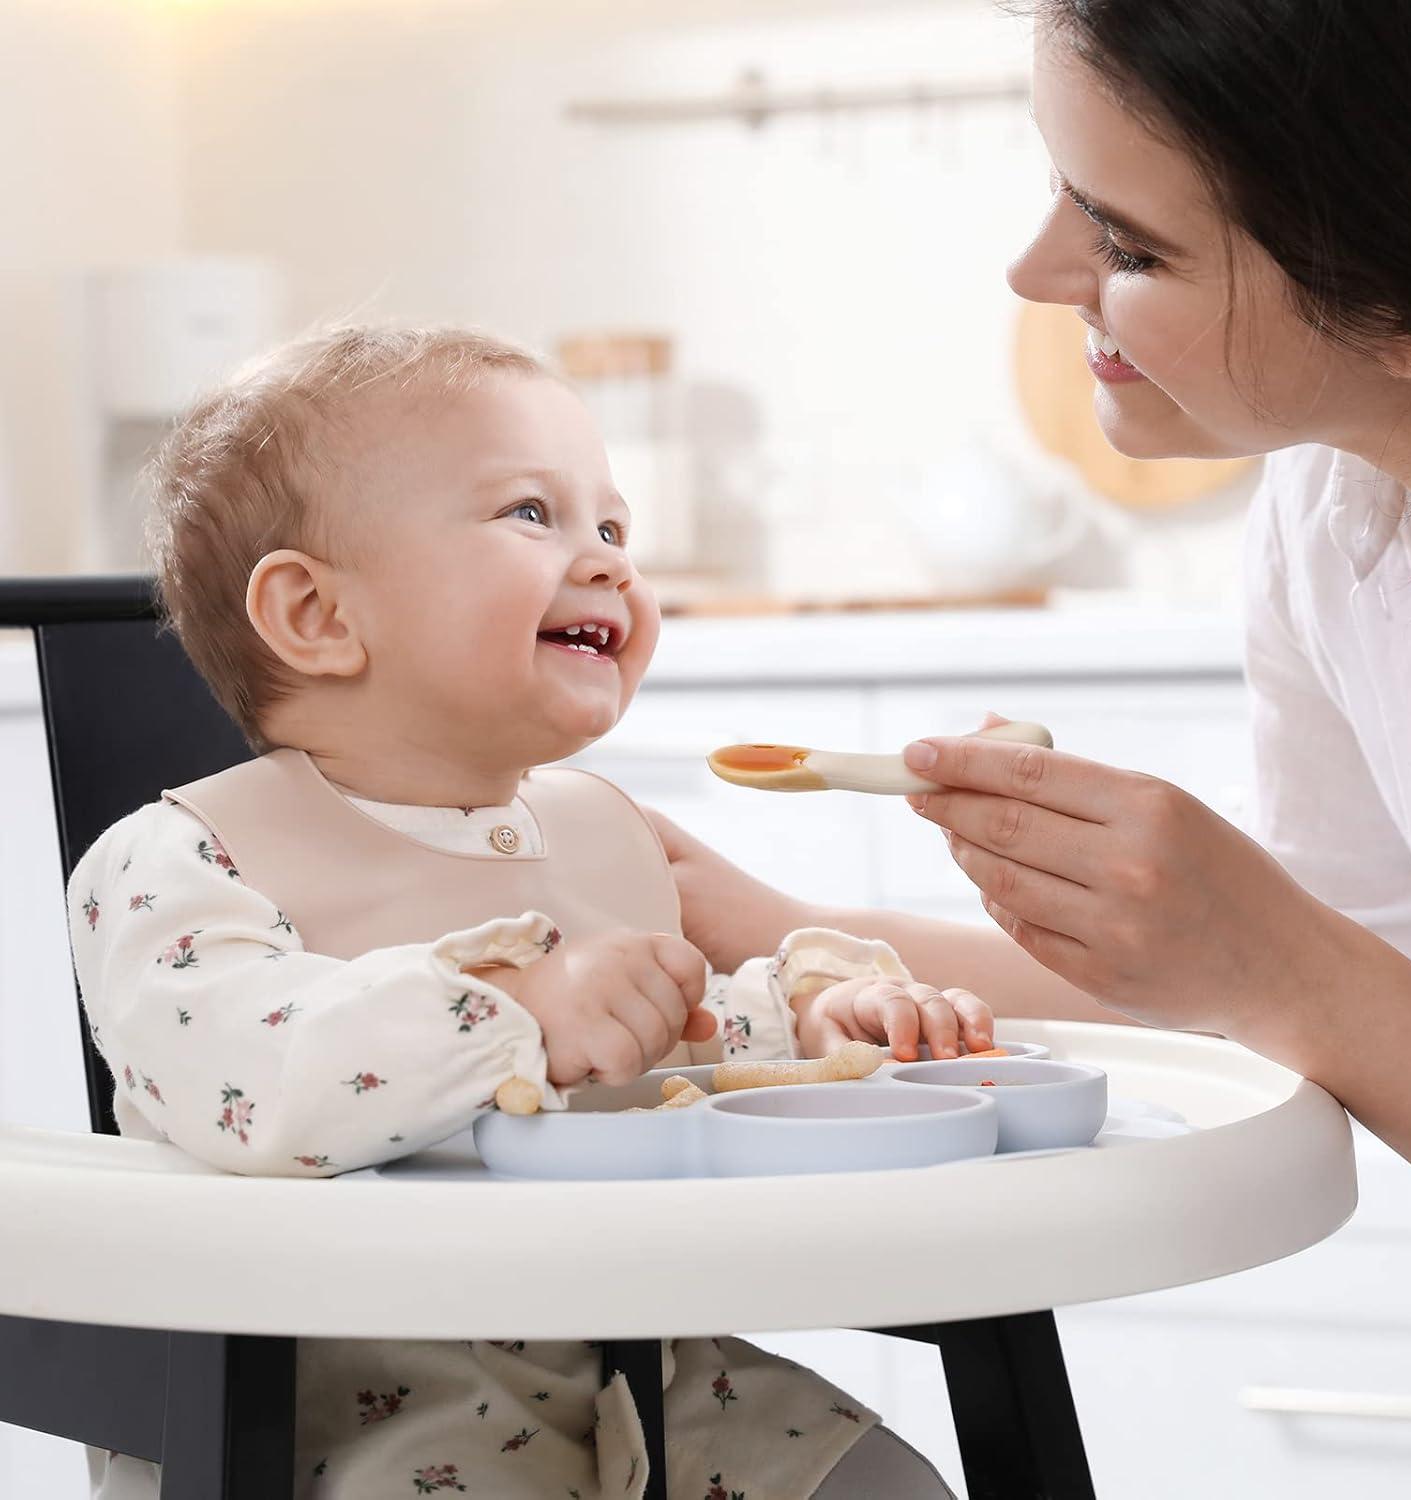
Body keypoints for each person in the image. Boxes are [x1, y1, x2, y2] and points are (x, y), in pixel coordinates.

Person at [67, 326, 979, 1499]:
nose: (606, 562)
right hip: (338, 1410)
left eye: (612, 527)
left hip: (650, 1369)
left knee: (884, 1485)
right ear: (318, 615)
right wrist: (512, 1015)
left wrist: (823, 1024)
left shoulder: (600, 830)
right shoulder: (180, 861)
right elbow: (261, 1076)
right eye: (530, 515)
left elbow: (671, 1043)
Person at [651, 0, 1411, 1233]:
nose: (1035, 272)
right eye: (1063, 189)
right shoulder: (1334, 509)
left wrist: (1278, 952)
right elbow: (1372, 1001)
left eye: (1129, 245)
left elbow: (1323, 984)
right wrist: (777, 930)